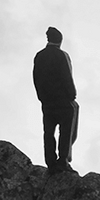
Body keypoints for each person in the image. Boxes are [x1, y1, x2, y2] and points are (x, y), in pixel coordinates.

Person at [32, 26, 77, 173]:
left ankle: (50, 162)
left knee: (48, 132)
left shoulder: (39, 56)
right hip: (63, 101)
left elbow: (36, 78)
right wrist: (72, 95)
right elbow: (66, 76)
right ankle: (63, 160)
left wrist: (42, 98)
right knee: (66, 130)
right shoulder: (62, 55)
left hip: (47, 102)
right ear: (60, 40)